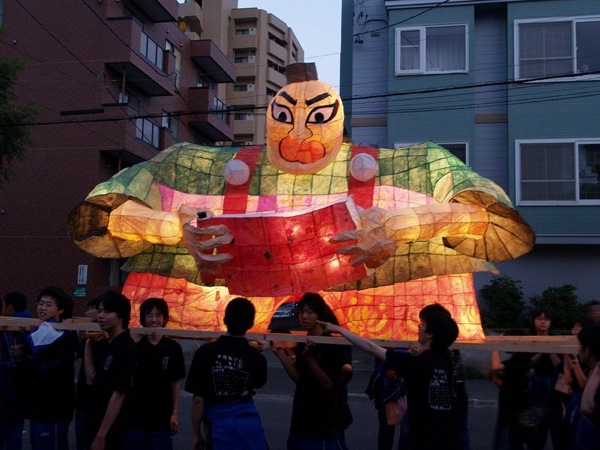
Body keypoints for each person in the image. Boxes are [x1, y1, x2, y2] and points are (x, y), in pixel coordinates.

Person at [68, 62, 535, 343]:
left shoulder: (415, 165)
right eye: (285, 118)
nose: (298, 135)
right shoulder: (194, 164)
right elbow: (100, 214)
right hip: (205, 312)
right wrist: (172, 229)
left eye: (315, 119)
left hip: (386, 313)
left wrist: (404, 224)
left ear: (337, 120)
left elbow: (494, 221)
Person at [319, 307, 460, 450]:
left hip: (424, 437)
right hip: (447, 435)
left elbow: (372, 348)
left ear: (430, 334)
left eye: (423, 324)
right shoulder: (446, 360)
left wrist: (339, 329)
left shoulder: (416, 363)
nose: (418, 326)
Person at [185, 297, 268, 450]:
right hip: (250, 428)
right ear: (251, 324)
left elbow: (198, 399)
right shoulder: (256, 357)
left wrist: (196, 434)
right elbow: (259, 382)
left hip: (220, 427)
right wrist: (256, 352)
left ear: (225, 320)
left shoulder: (205, 352)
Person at [271, 292, 352, 450]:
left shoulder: (333, 344)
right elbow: (299, 379)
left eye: (310, 312)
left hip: (322, 422)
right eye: (301, 312)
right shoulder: (302, 342)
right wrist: (280, 353)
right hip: (300, 419)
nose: (304, 317)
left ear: (320, 315)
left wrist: (309, 359)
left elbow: (328, 384)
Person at [124, 298, 185, 450]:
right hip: (136, 414)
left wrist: (175, 413)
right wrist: (131, 344)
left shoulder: (173, 347)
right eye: (149, 315)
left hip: (162, 415)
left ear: (165, 318)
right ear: (143, 319)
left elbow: (175, 382)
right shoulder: (135, 345)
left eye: (158, 315)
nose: (154, 320)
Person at [21, 287, 77, 450]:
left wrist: (30, 337)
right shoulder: (41, 329)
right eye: (40, 303)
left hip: (54, 407)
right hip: (38, 404)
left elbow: (42, 363)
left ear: (60, 309)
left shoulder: (64, 333)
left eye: (48, 304)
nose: (42, 308)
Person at [84, 291, 137, 450]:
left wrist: (101, 436)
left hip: (113, 430)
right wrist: (88, 344)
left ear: (121, 316)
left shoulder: (126, 347)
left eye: (107, 312)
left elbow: (119, 394)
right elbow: (91, 379)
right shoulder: (108, 344)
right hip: (96, 419)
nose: (101, 316)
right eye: (99, 311)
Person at [419, 303, 470, 450]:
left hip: (446, 403)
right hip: (455, 401)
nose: (420, 326)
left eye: (423, 322)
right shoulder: (446, 344)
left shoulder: (441, 351)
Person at [490, 329, 535, 450]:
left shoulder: (519, 360)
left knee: (507, 442)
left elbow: (496, 366)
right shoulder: (523, 359)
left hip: (512, 410)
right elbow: (504, 383)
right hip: (516, 409)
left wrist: (495, 348)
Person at [0, 292, 31, 450]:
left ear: (10, 307)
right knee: (15, 430)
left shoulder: (8, 325)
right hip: (21, 385)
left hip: (7, 384)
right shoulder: (32, 324)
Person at [574, 323, 600, 449]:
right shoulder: (593, 369)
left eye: (580, 345)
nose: (578, 349)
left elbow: (586, 408)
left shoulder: (597, 372)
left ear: (588, 350)